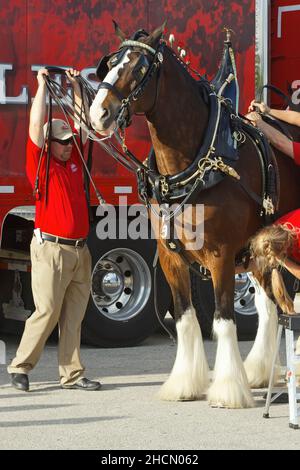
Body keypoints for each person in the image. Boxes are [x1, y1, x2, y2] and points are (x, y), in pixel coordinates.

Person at [7, 68, 101, 391]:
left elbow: (83, 124)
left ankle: (72, 374)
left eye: (67, 142)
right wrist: (41, 87)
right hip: (52, 250)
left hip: (79, 250)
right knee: (47, 311)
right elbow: (35, 125)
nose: (67, 145)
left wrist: (75, 86)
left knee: (74, 316)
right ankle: (20, 366)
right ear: (49, 143)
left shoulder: (74, 158)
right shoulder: (41, 162)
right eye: (61, 142)